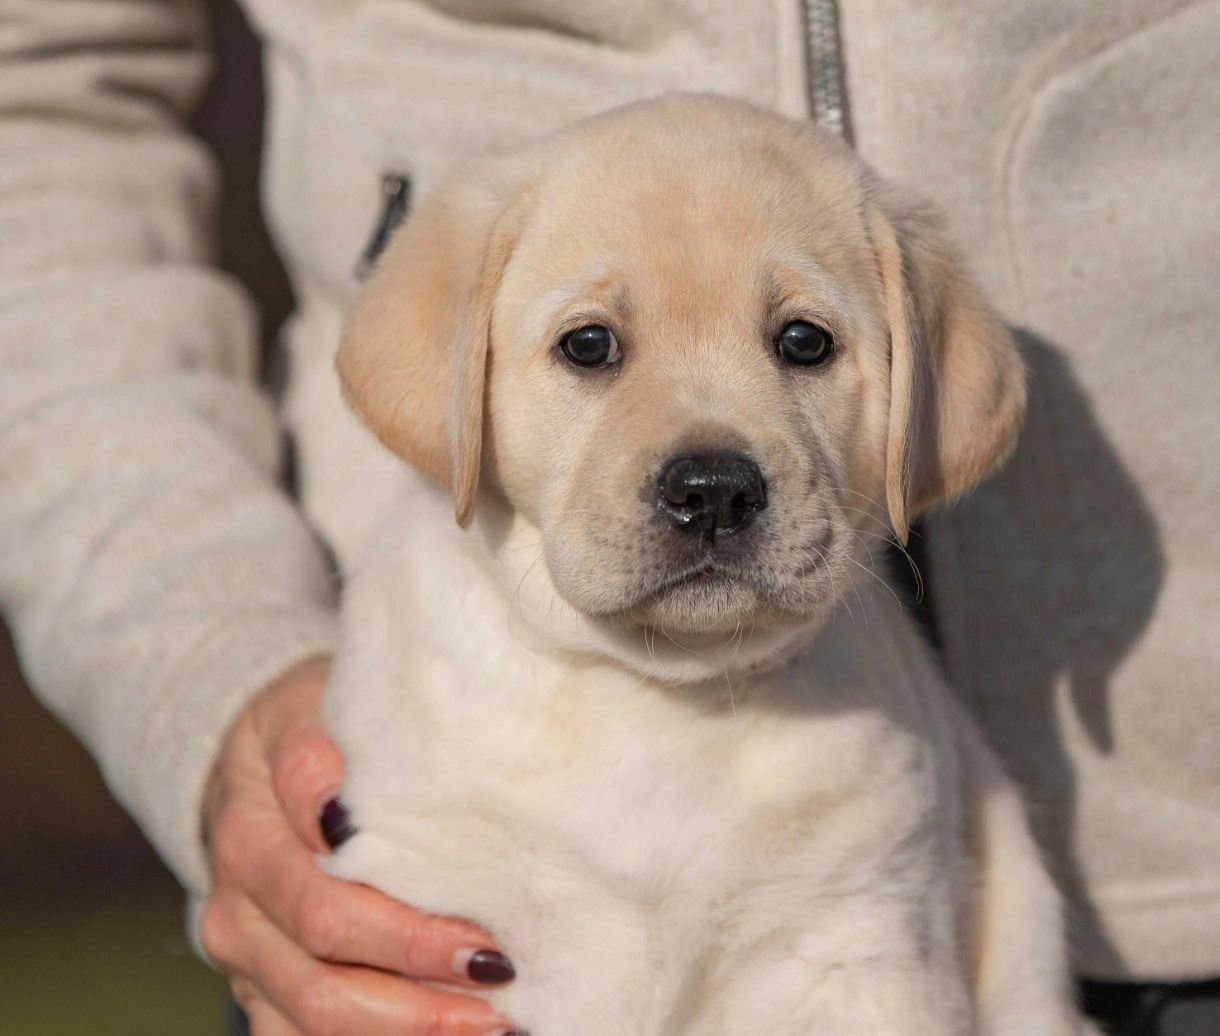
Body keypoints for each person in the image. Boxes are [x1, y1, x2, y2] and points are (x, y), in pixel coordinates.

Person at [2, 2, 1217, 1034]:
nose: (708, 469)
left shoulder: (861, 749)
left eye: (803, 343)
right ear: (457, 373)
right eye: (590, 345)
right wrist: (195, 652)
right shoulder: (405, 713)